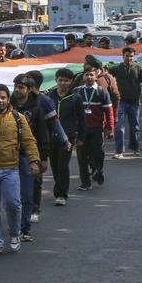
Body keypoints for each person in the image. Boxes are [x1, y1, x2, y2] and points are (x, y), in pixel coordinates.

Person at [0, 84, 40, 255]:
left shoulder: (18, 117)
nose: (0, 101)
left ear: (8, 98)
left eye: (3, 97)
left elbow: (29, 140)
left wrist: (34, 160)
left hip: (10, 169)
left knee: (13, 204)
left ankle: (15, 234)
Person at [11, 75, 57, 242]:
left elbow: (43, 134)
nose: (17, 90)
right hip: (9, 157)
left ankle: (26, 225)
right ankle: (15, 224)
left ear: (28, 89)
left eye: (21, 87)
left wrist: (43, 158)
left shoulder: (37, 108)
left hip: (28, 156)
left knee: (28, 192)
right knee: (11, 195)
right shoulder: (8, 106)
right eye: (15, 86)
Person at [47, 68, 85, 205]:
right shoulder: (49, 97)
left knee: (63, 165)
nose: (62, 83)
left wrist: (81, 137)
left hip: (68, 138)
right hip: (51, 137)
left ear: (71, 82)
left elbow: (82, 119)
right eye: (60, 80)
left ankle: (61, 195)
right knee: (55, 165)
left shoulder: (75, 98)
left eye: (66, 80)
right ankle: (59, 186)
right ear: (56, 80)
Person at [76, 66, 115, 190]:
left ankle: (98, 170)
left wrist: (110, 128)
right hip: (81, 130)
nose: (89, 77)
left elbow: (109, 111)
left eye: (91, 75)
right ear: (83, 76)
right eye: (86, 75)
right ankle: (85, 183)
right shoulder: (77, 92)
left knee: (98, 153)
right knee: (82, 157)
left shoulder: (102, 91)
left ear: (96, 76)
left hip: (97, 129)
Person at [109, 46, 142, 158]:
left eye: (131, 56)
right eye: (127, 56)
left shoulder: (138, 68)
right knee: (119, 127)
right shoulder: (117, 68)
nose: (129, 58)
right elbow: (106, 75)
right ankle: (119, 151)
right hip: (121, 102)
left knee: (135, 126)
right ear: (123, 56)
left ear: (133, 56)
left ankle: (135, 149)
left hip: (134, 102)